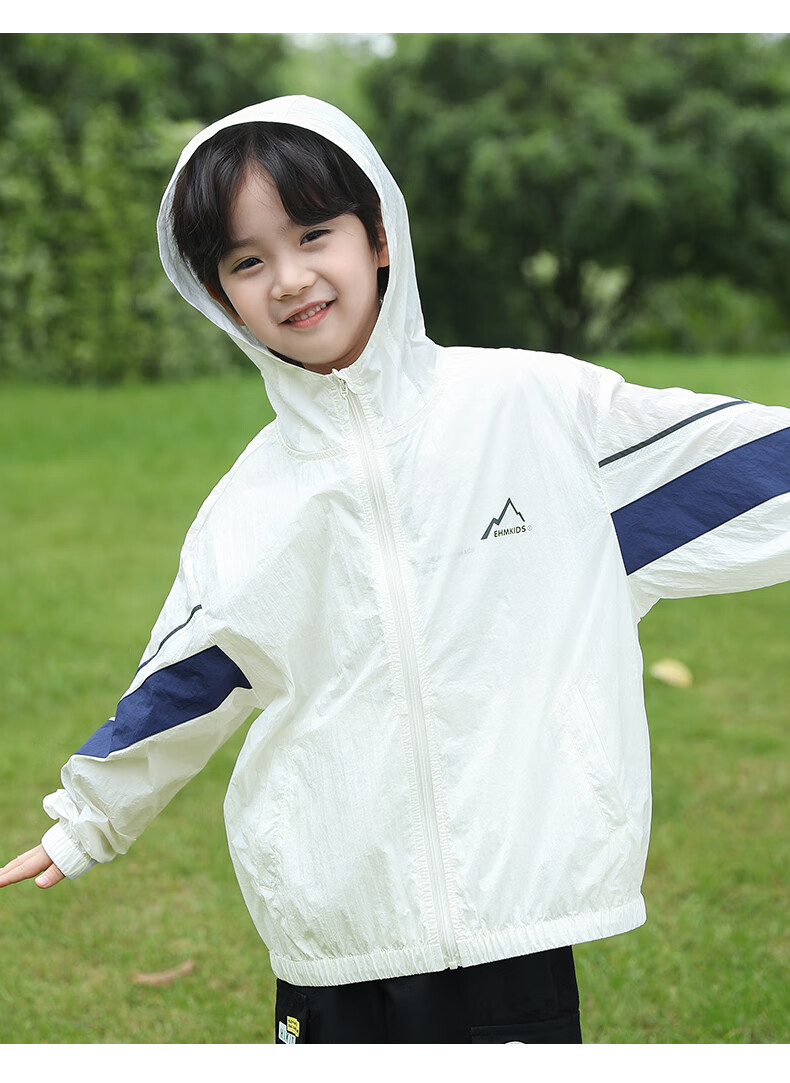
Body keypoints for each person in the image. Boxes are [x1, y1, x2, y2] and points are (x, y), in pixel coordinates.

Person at [2, 95, 789, 1044]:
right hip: (335, 923)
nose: (290, 278)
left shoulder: (534, 410)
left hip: (515, 906)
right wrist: (86, 821)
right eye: (248, 261)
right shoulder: (249, 504)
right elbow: (188, 682)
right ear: (218, 295)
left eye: (313, 235)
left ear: (378, 235)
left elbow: (740, 473)